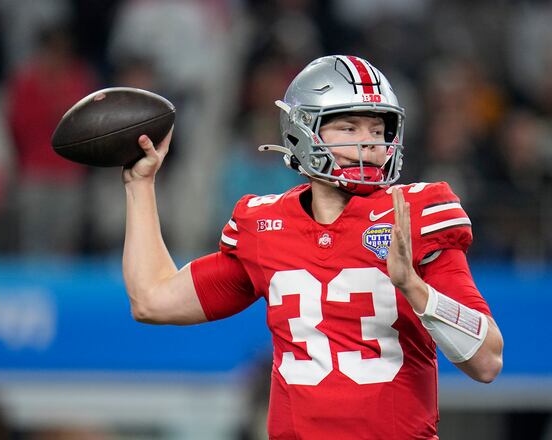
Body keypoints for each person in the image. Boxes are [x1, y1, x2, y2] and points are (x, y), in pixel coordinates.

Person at [122, 55, 504, 439]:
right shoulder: (265, 225)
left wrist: (414, 288)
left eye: (377, 129)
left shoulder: (414, 215)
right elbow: (152, 300)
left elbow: (487, 359)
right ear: (302, 132)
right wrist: (140, 184)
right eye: (349, 127)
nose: (369, 142)